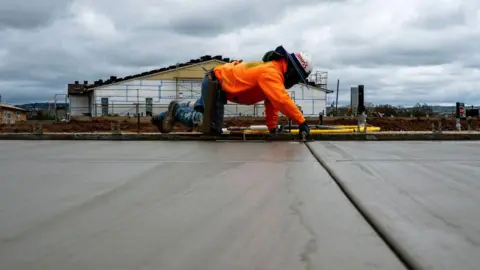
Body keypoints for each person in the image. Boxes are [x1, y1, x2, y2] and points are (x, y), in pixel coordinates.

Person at [151, 45, 312, 136]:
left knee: (203, 108)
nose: (295, 82)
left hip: (219, 82)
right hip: (217, 83)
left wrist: (272, 128)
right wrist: (302, 122)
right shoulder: (271, 73)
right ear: (291, 69)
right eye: (297, 78)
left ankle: (163, 117)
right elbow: (282, 100)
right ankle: (177, 110)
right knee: (212, 128)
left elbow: (272, 104)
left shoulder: (273, 73)